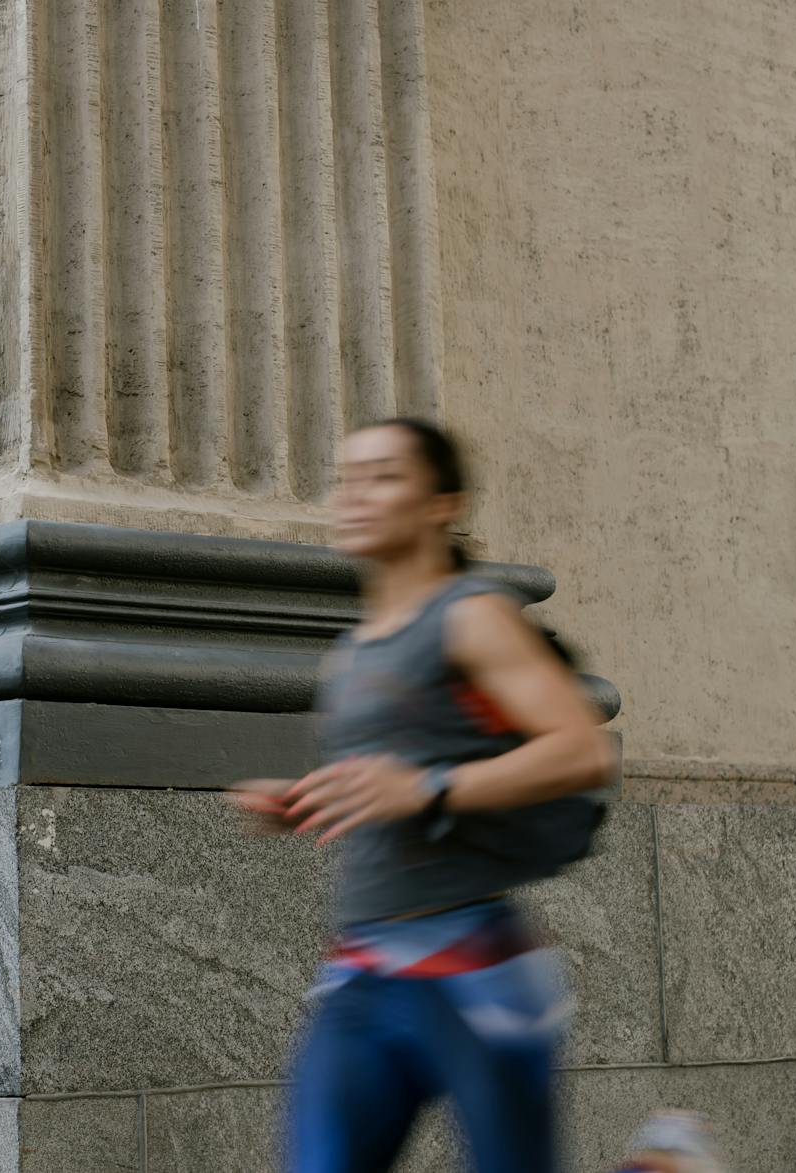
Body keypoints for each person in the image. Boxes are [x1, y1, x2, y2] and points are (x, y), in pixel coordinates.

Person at [230, 417, 619, 1173]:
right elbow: (387, 791)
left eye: (384, 476)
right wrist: (305, 803)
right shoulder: (351, 653)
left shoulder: (471, 616)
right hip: (363, 970)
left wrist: (428, 787)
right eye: (347, 479)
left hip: (476, 969)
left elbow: (581, 748)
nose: (355, 496)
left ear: (444, 504)